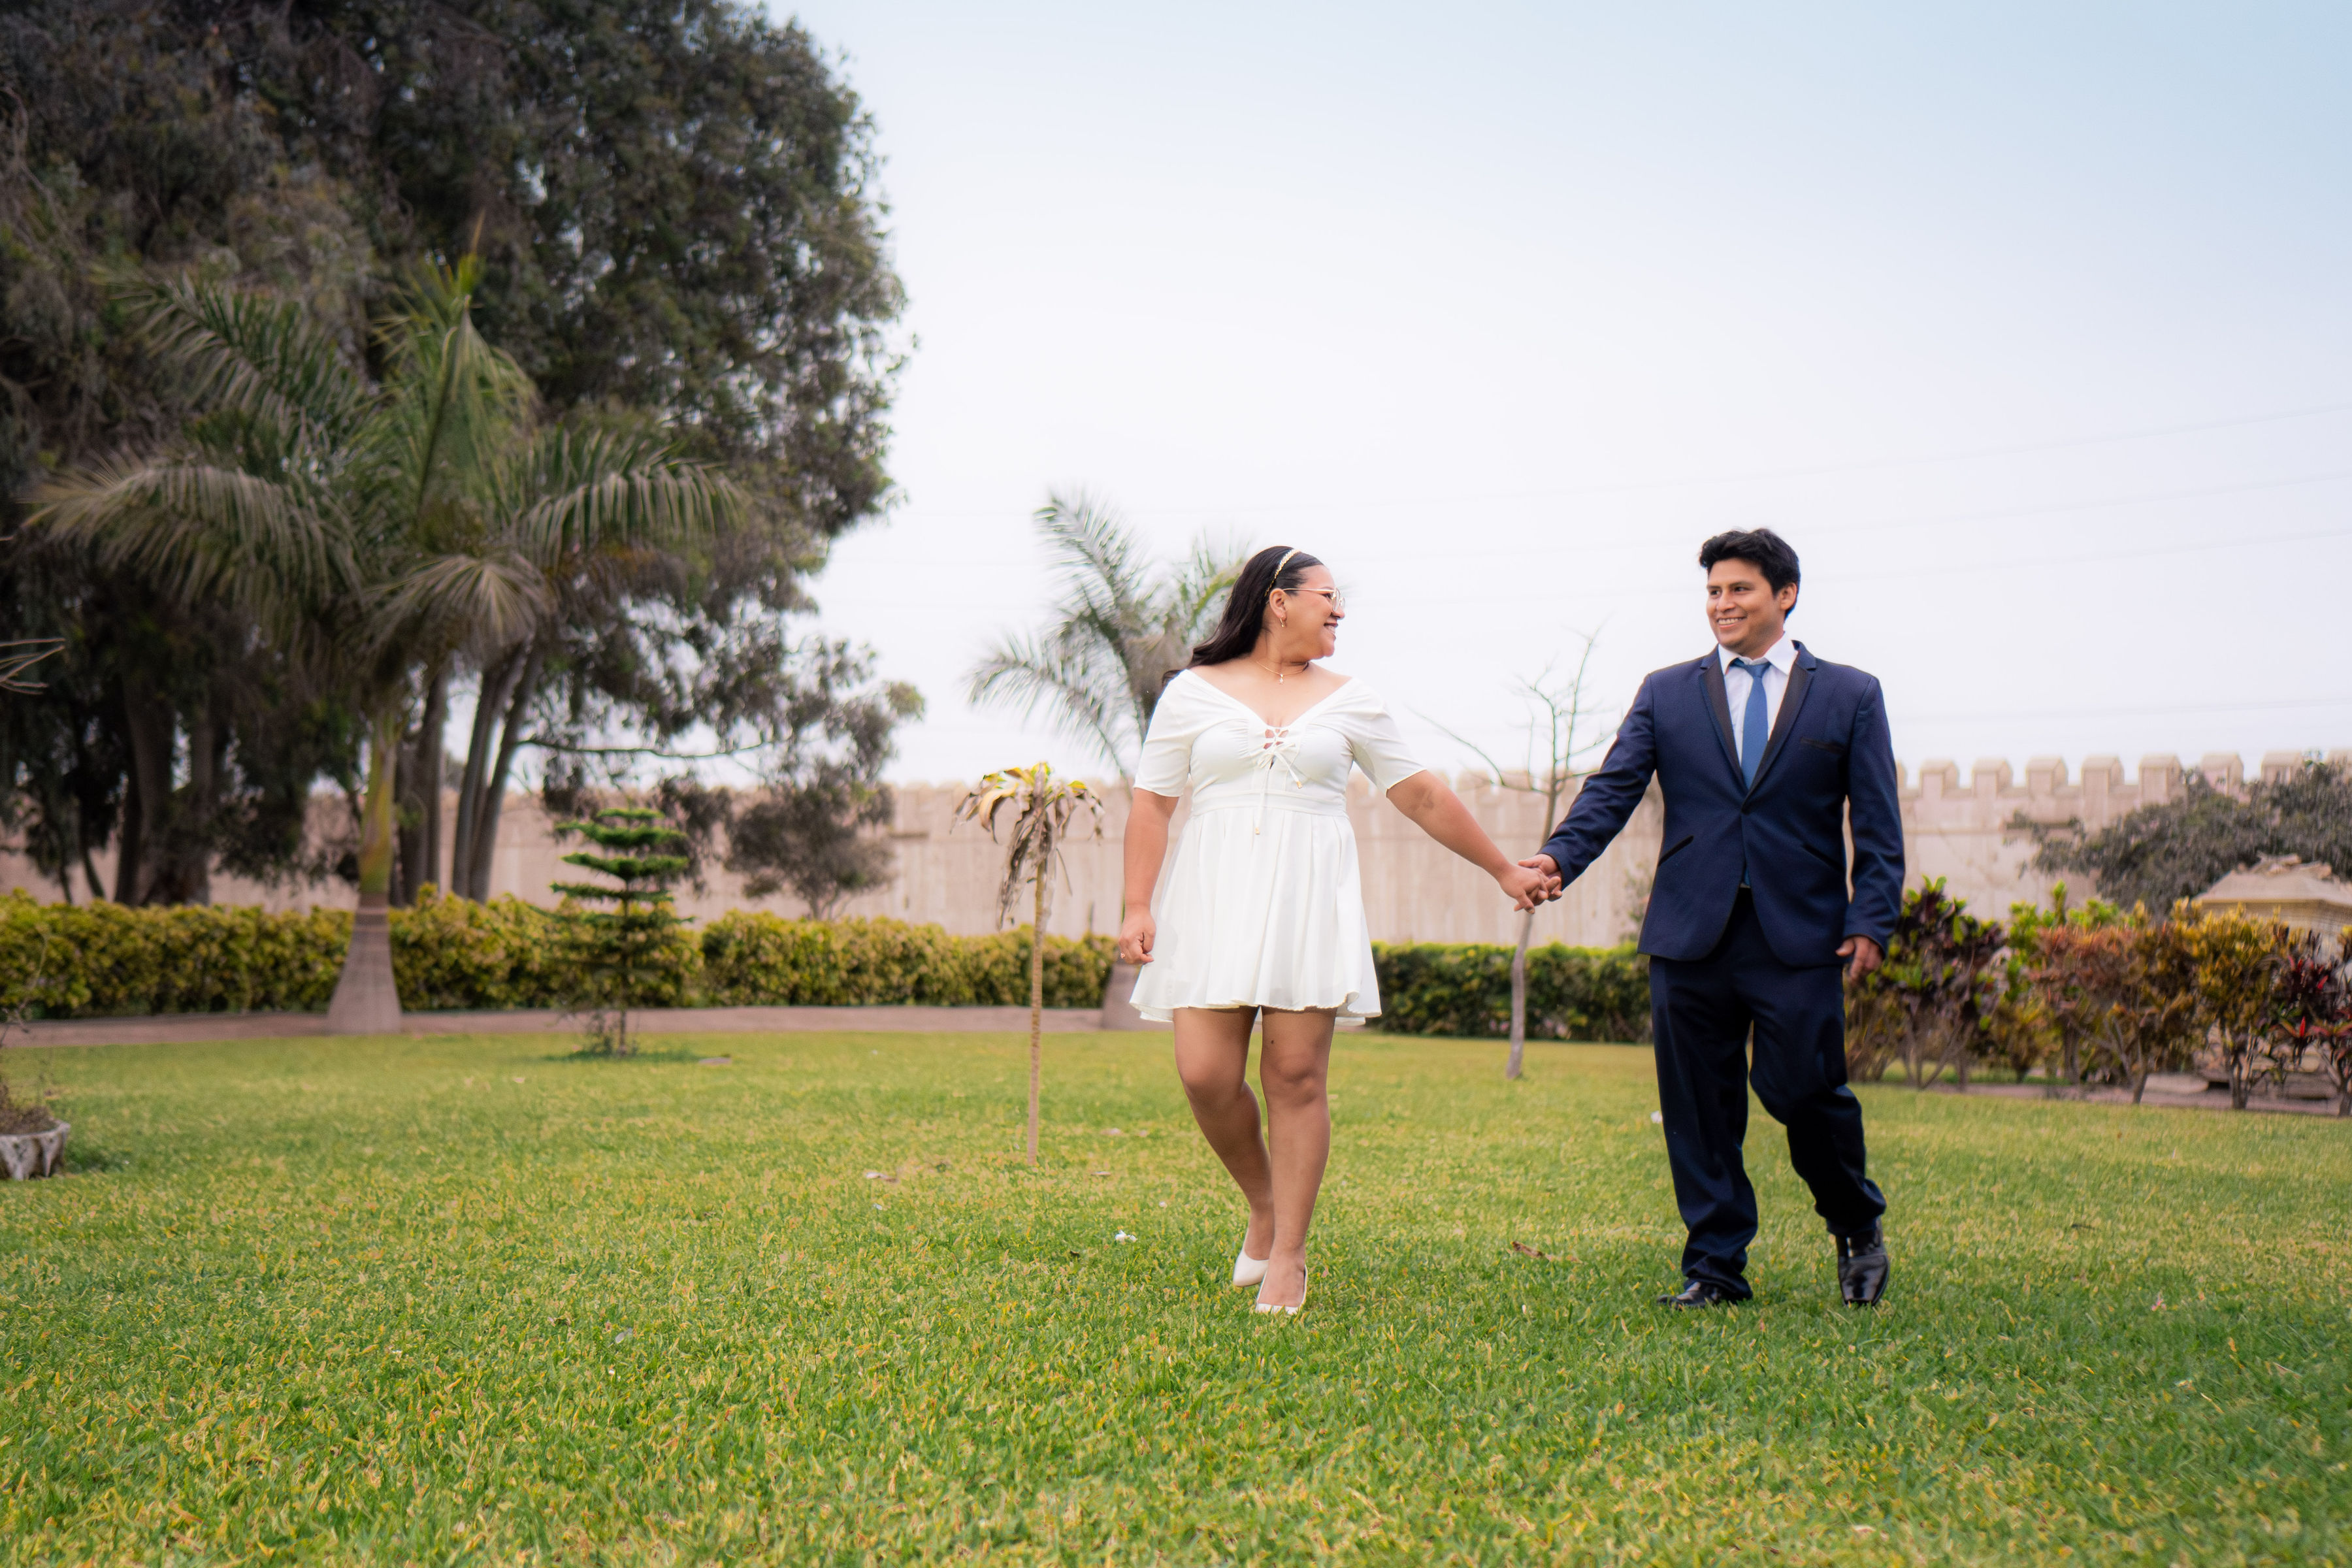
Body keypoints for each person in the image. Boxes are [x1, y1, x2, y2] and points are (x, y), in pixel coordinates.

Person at [1119, 545, 1554, 1315]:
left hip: (1307, 900)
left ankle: (1288, 1255)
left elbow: (1420, 794)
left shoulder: (1353, 700)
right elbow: (1153, 804)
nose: (1341, 612)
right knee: (1205, 1075)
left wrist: (1501, 869)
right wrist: (1136, 905)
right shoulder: (1191, 693)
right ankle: (1264, 1206)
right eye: (1328, 596)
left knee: (1295, 1078)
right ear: (1278, 601)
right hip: (1212, 898)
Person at [1520, 528, 1902, 1307]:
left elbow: (1877, 820)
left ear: (1784, 595)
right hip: (1690, 931)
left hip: (1802, 934)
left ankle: (1855, 1223)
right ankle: (1716, 1268)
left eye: (1739, 590)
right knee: (1699, 1108)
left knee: (1807, 1092)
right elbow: (1614, 788)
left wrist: (1871, 918)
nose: (1722, 604)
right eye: (1713, 592)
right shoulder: (1668, 692)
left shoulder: (1850, 694)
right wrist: (1559, 857)